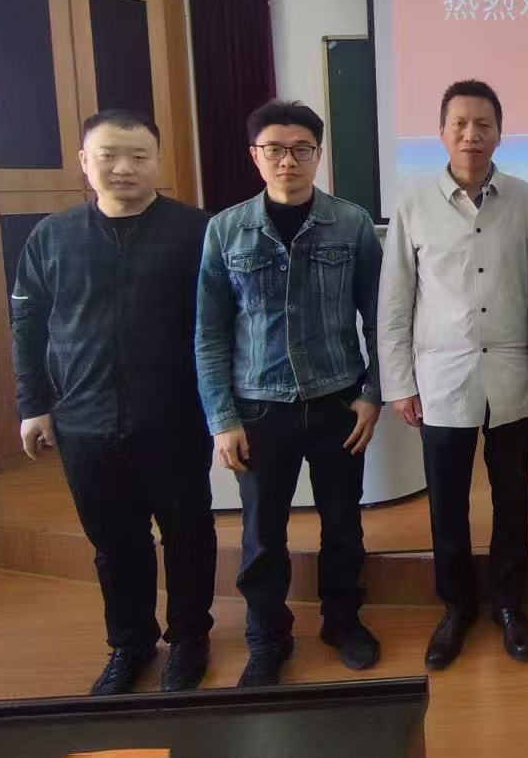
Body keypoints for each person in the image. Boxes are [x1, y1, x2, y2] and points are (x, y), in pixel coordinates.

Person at [11, 110, 216, 695]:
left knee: (188, 533)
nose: (124, 168)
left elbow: (223, 324)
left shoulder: (197, 231)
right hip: (84, 422)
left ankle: (189, 638)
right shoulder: (52, 236)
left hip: (177, 418)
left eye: (139, 156)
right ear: (85, 162)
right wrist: (33, 404)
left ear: (158, 161)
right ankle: (130, 644)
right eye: (108, 156)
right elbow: (27, 324)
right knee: (115, 543)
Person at [196, 99, 384, 687]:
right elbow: (209, 331)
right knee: (261, 535)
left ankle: (342, 622)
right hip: (257, 408)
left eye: (302, 148)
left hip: (338, 402)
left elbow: (381, 317)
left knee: (343, 524)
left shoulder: (351, 223)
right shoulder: (226, 229)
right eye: (275, 149)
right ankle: (267, 639)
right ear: (255, 156)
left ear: (318, 155)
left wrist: (373, 392)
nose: (288, 160)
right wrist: (222, 417)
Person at [377, 80, 528, 670]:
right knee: (446, 504)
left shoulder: (527, 201)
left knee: (513, 500)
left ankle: (508, 603)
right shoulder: (414, 203)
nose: (472, 134)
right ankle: (455, 607)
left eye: (483, 124)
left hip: (512, 378)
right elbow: (395, 300)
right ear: (442, 132)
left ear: (500, 132)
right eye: (460, 124)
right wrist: (400, 382)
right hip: (441, 381)